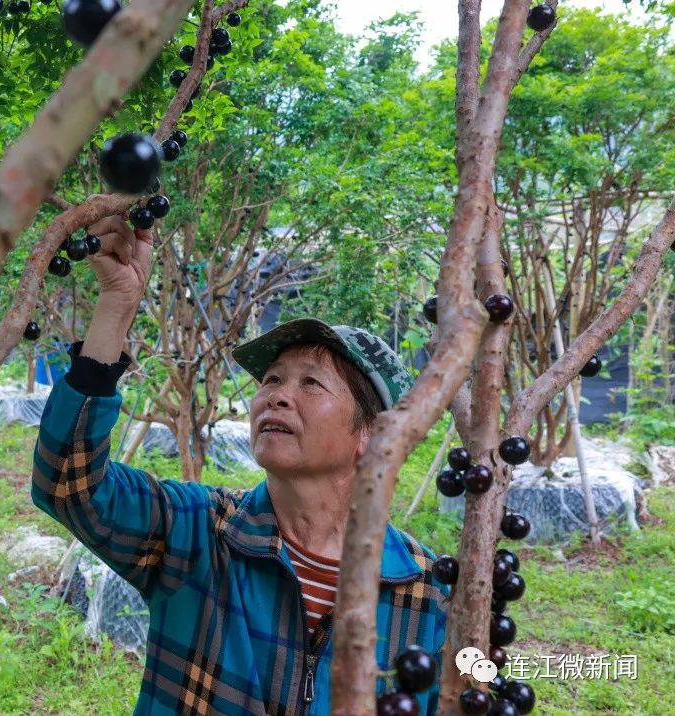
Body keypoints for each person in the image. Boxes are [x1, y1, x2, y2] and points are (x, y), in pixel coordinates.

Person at [31, 216, 451, 715]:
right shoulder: (198, 532)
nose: (275, 397)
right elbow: (69, 484)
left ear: (373, 435)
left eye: (309, 384)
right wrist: (116, 307)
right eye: (272, 380)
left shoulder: (427, 590)